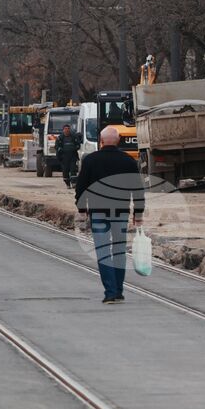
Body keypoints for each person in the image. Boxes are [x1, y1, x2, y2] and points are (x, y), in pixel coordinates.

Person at [74, 126, 145, 304]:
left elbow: (81, 187)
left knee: (103, 251)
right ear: (118, 140)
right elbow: (137, 189)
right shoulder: (128, 161)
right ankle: (119, 290)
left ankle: (110, 292)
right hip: (120, 212)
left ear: (101, 140)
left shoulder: (90, 160)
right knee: (119, 251)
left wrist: (82, 209)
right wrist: (138, 212)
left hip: (99, 212)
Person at [56, 124, 82, 189]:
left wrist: (75, 148)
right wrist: (60, 150)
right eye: (65, 129)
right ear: (63, 130)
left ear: (69, 130)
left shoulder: (74, 136)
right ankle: (67, 184)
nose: (66, 130)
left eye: (68, 129)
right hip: (64, 157)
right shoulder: (60, 138)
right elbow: (57, 146)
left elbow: (78, 145)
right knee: (65, 171)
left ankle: (73, 183)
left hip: (73, 156)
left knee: (73, 170)